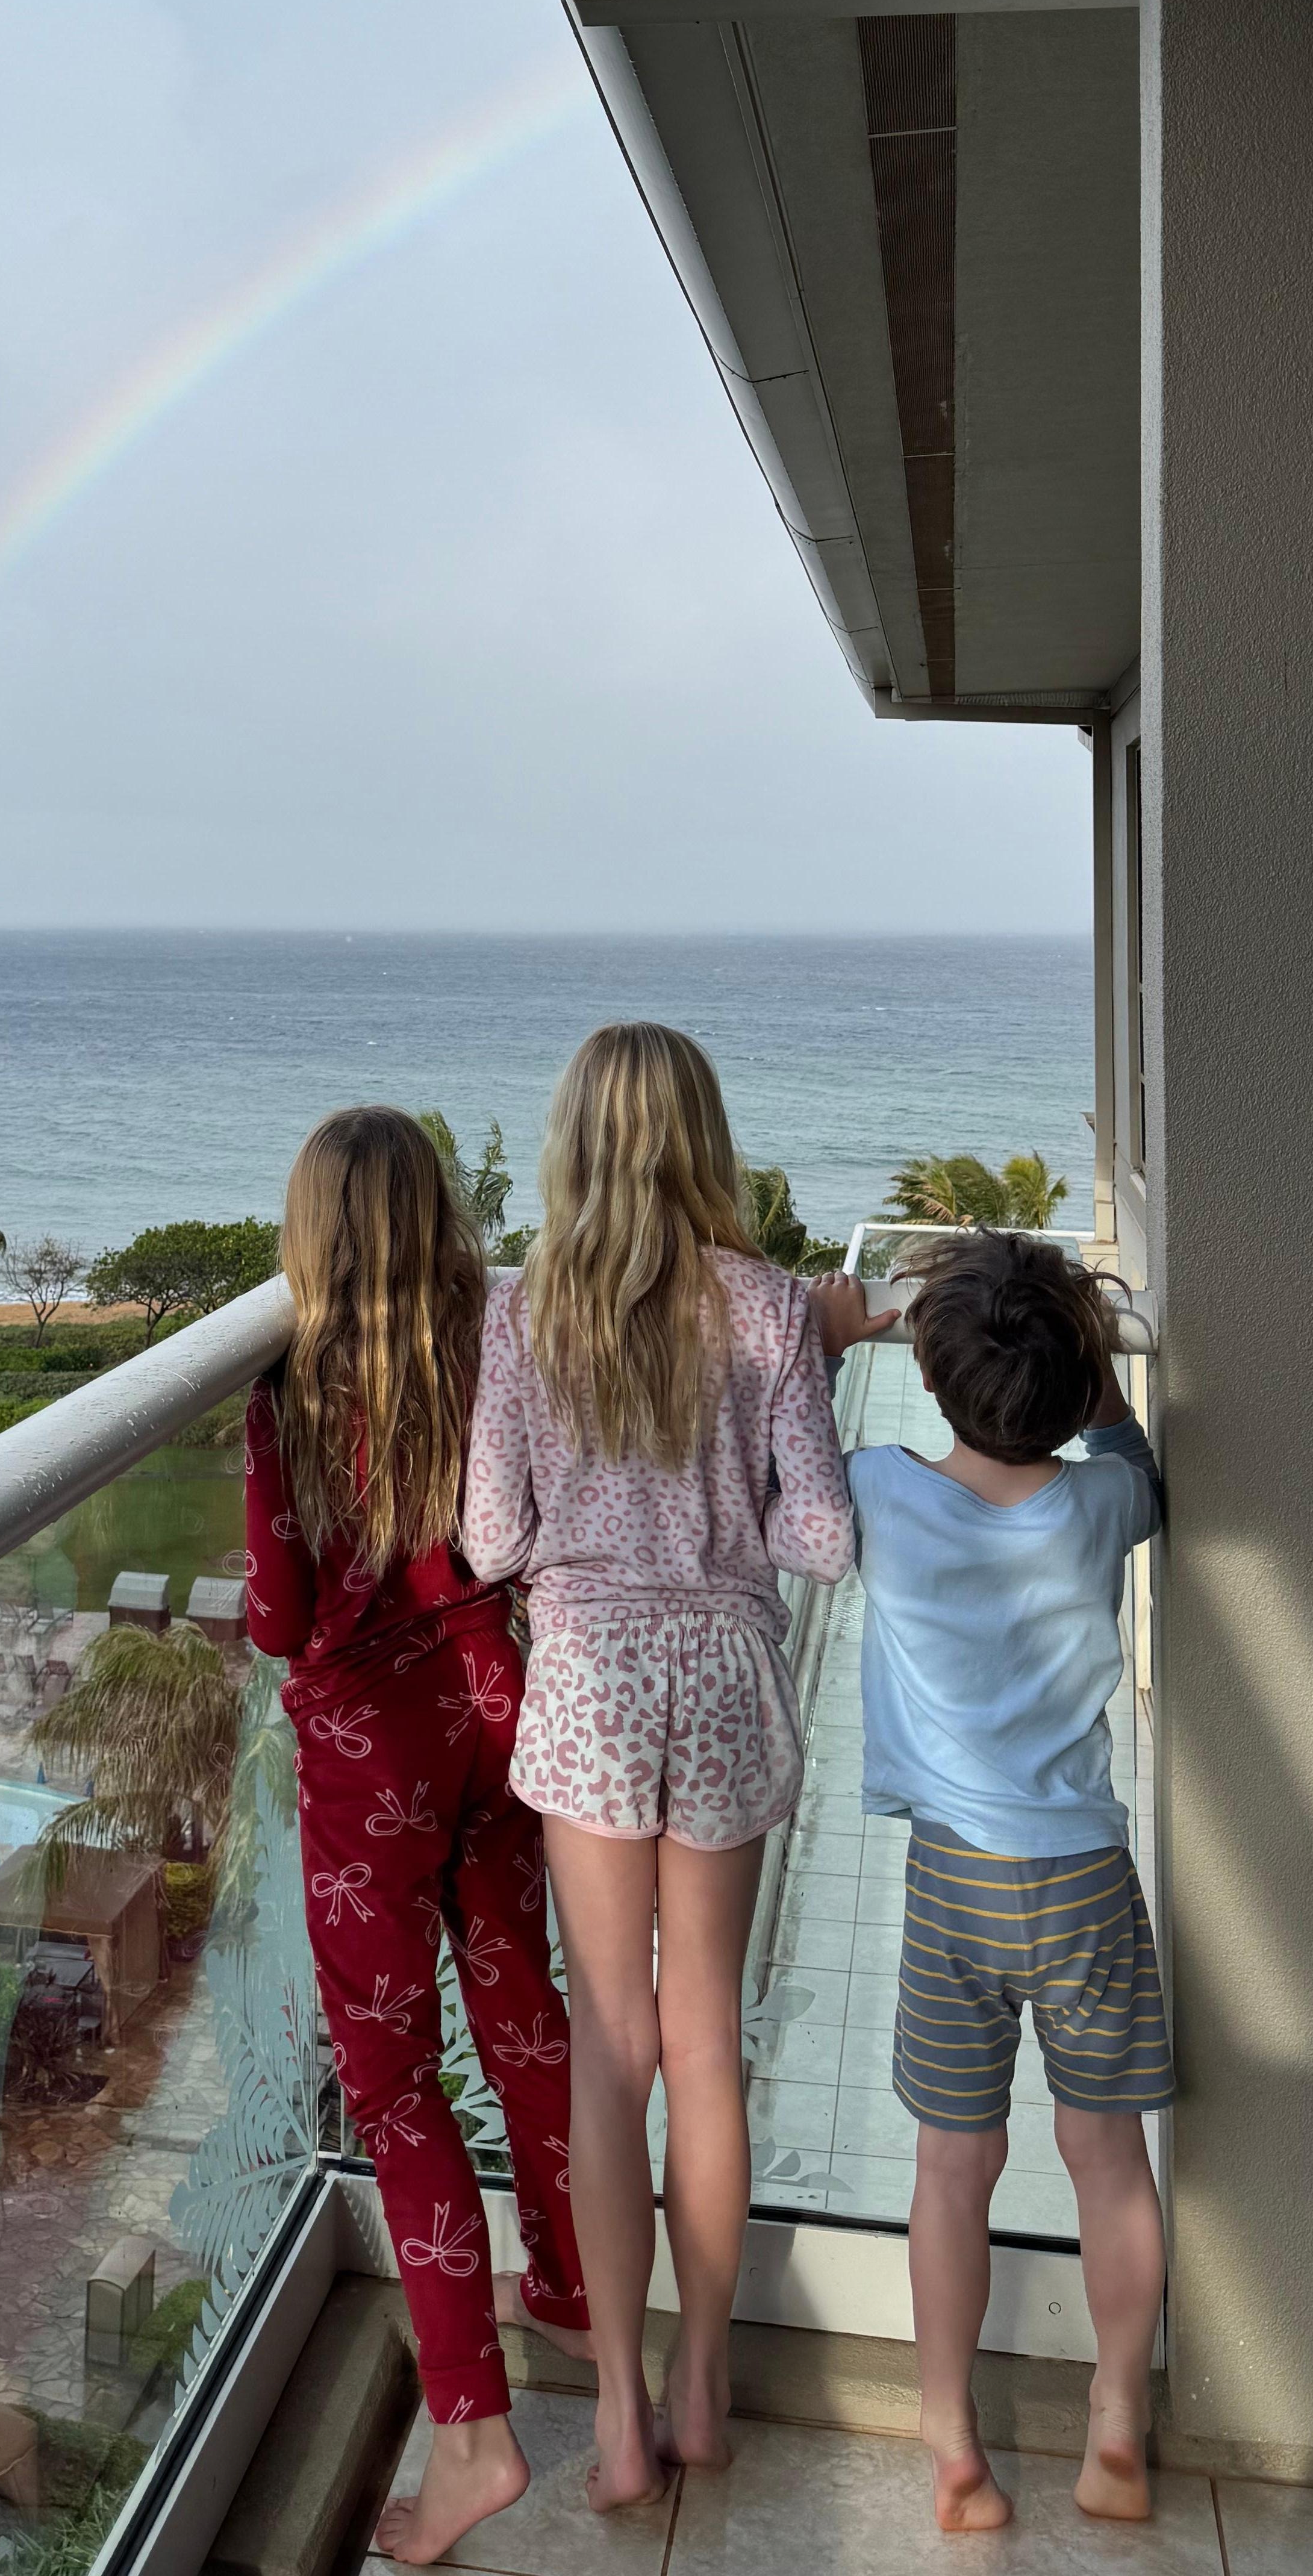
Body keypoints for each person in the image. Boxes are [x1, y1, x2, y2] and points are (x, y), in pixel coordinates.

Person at [461, 1023, 893, 2510]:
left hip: (583, 1680)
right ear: (705, 1140)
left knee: (613, 2051)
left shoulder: (517, 1317)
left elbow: (491, 1541)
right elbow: (824, 1539)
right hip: (719, 1680)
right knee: (707, 2048)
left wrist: (589, 1546)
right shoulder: (774, 1310)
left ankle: (625, 2422)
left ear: (574, 1145)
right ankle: (710, 2391)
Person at [246, 1106, 592, 2566]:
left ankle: (472, 2430)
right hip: (492, 1711)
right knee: (526, 2013)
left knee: (393, 2083)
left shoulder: (291, 1389)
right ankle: (572, 2284)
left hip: (366, 1752)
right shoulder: (495, 1337)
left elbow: (274, 1613)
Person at [853, 1229, 1170, 2533]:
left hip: (955, 1887)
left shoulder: (881, 1489)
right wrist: (1104, 1396)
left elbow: (788, 1470)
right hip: (1085, 1876)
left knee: (951, 2168)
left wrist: (836, 1333)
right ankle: (1116, 2432)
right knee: (1109, 2163)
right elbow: (1134, 1467)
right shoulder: (1102, 1504)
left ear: (931, 1373)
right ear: (1081, 1371)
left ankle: (955, 2452)